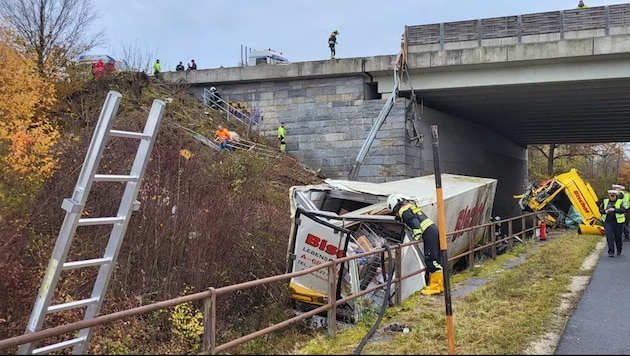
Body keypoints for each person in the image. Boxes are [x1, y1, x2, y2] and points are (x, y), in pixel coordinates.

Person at [387, 194, 443, 295]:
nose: (396, 214)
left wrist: (416, 235)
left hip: (428, 233)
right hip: (432, 230)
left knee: (431, 260)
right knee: (436, 259)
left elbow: (414, 222)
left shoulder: (403, 211)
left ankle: (435, 287)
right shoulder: (409, 207)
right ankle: (438, 285)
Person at [599, 189, 626, 257]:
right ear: (609, 195)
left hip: (618, 223)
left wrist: (614, 210)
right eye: (611, 195)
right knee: (609, 236)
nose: (612, 197)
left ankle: (619, 249)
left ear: (616, 196)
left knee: (618, 237)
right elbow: (600, 210)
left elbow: (623, 210)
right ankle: (611, 251)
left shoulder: (620, 202)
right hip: (608, 222)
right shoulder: (605, 201)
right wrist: (605, 211)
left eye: (613, 196)